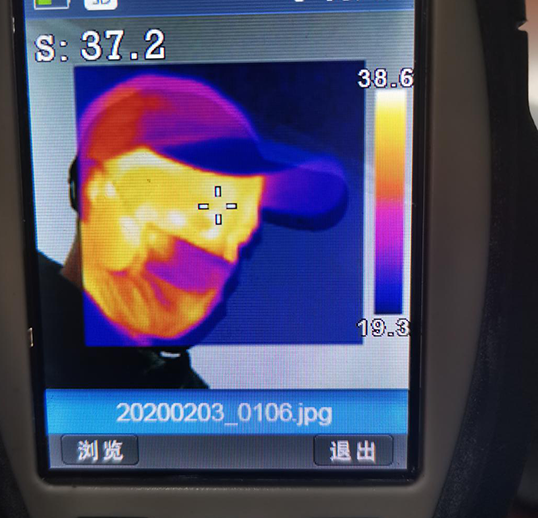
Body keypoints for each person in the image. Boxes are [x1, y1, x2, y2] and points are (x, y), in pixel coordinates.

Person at [40, 74, 348, 388]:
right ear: (92, 191)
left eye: (239, 225)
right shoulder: (23, 335)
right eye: (186, 198)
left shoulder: (186, 395)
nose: (215, 247)